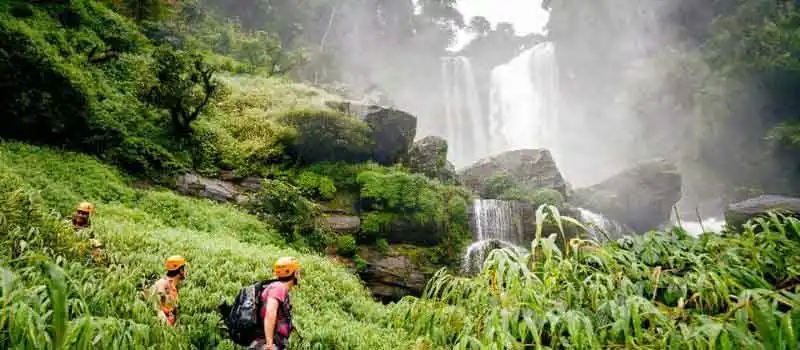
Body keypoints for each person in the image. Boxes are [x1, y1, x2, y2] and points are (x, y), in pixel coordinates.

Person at [250, 257, 300, 350]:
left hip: (270, 342)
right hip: (266, 344)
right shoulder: (279, 287)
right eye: (298, 271)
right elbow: (270, 313)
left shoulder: (278, 287)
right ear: (295, 273)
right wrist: (269, 344)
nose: (299, 274)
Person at [150, 255, 186, 326]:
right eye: (184, 268)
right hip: (163, 329)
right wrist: (168, 328)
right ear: (181, 270)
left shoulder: (175, 287)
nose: (186, 271)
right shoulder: (162, 283)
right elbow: (156, 307)